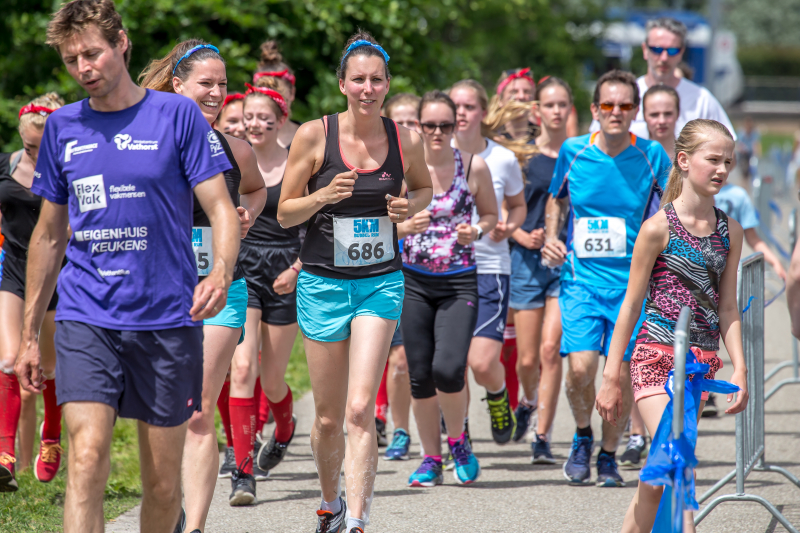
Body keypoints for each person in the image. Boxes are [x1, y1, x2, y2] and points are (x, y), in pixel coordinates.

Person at [16, 2, 241, 532]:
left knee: (162, 484)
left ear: (121, 44)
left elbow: (221, 211)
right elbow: (49, 236)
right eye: (71, 59)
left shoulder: (176, 115)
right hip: (85, 314)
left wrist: (220, 271)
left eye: (92, 53)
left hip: (166, 316)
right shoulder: (64, 127)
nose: (83, 67)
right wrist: (29, 333)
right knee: (88, 457)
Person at [277, 31, 432, 533]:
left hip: (379, 282)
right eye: (358, 79)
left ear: (387, 85)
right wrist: (322, 197)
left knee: (360, 407)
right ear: (342, 84)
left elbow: (426, 187)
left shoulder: (403, 137)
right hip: (322, 283)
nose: (368, 88)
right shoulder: (313, 135)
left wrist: (411, 205)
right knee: (327, 419)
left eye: (377, 79)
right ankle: (331, 502)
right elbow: (283, 213)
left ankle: (360, 520)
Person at [596, 118, 749, 532]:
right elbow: (630, 306)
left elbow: (729, 307)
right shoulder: (658, 227)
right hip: (656, 358)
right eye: (713, 159)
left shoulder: (729, 230)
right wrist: (612, 374)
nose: (721, 169)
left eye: (728, 162)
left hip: (700, 366)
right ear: (683, 160)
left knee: (657, 479)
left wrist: (742, 367)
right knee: (677, 462)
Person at [139, 39, 268, 517]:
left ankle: (193, 526)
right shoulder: (148, 139)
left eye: (223, 84)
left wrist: (246, 215)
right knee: (162, 408)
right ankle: (166, 506)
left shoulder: (234, 147)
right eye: (205, 84)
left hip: (221, 287)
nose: (216, 93)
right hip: (160, 289)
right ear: (177, 85)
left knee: (197, 409)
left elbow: (256, 191)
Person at [542, 69, 672, 487]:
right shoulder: (574, 151)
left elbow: (674, 208)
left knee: (624, 374)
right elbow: (555, 200)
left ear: (635, 112)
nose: (616, 113)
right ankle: (582, 436)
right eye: (608, 106)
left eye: (625, 106)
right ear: (595, 110)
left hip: (632, 287)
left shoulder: (652, 155)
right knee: (580, 371)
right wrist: (549, 237)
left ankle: (609, 454)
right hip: (581, 281)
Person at [399, 90, 497, 487]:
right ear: (418, 126)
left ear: (456, 125)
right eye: (430, 125)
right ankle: (431, 458)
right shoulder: (404, 167)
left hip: (459, 281)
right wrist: (404, 227)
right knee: (420, 374)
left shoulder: (472, 167)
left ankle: (458, 440)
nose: (437, 132)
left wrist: (477, 230)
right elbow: (378, 218)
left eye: (445, 125)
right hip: (413, 280)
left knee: (448, 368)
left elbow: (490, 214)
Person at [228, 80, 301, 488]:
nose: (254, 124)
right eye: (248, 117)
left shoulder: (296, 163)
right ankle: (243, 471)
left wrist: (298, 268)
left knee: (272, 380)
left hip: (285, 270)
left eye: (263, 118)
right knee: (242, 366)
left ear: (280, 121)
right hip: (243, 266)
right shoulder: (232, 159)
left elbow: (316, 223)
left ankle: (285, 428)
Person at [449, 79, 527, 445]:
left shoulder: (502, 158)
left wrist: (507, 227)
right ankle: (458, 434)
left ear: (482, 112)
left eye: (468, 107)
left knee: (481, 363)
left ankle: (498, 396)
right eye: (456, 106)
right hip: (445, 271)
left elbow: (518, 206)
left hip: (490, 270)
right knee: (452, 364)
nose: (461, 113)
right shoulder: (434, 155)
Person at [0, 93, 65, 492]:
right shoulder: (5, 165)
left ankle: (51, 435)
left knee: (50, 367)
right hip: (13, 269)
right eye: (29, 147)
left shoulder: (71, 169)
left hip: (57, 273)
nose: (37, 155)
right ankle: (4, 455)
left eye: (45, 148)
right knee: (8, 358)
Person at [508, 77, 573, 462]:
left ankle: (542, 436)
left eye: (562, 104)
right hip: (526, 261)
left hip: (565, 263)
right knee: (528, 358)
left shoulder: (582, 152)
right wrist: (518, 234)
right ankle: (528, 400)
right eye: (549, 105)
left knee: (551, 350)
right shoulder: (521, 155)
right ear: (538, 111)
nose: (555, 111)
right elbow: (503, 206)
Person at [590, 17, 736, 141]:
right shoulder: (623, 96)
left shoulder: (701, 100)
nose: (664, 58)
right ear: (645, 50)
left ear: (681, 53)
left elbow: (728, 151)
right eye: (657, 50)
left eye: (672, 50)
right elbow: (597, 143)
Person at [378, 92, 420, 461]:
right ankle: (400, 429)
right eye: (400, 121)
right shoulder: (380, 162)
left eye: (414, 121)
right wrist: (404, 228)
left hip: (442, 279)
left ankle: (455, 426)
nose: (408, 127)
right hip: (393, 273)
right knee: (399, 360)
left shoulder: (438, 165)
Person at [254, 40, 300, 149]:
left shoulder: (309, 135)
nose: (271, 102)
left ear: (292, 93)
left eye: (277, 94)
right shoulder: (245, 140)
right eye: (264, 94)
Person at [493, 68, 537, 141]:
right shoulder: (491, 137)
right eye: (514, 92)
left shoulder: (541, 137)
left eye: (527, 91)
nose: (521, 96)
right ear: (500, 100)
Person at [736, 116, 761, 181]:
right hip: (743, 155)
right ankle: (744, 184)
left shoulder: (754, 133)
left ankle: (750, 186)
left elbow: (756, 143)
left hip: (751, 154)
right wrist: (742, 149)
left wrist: (757, 153)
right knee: (744, 172)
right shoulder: (741, 132)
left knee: (753, 171)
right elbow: (739, 144)